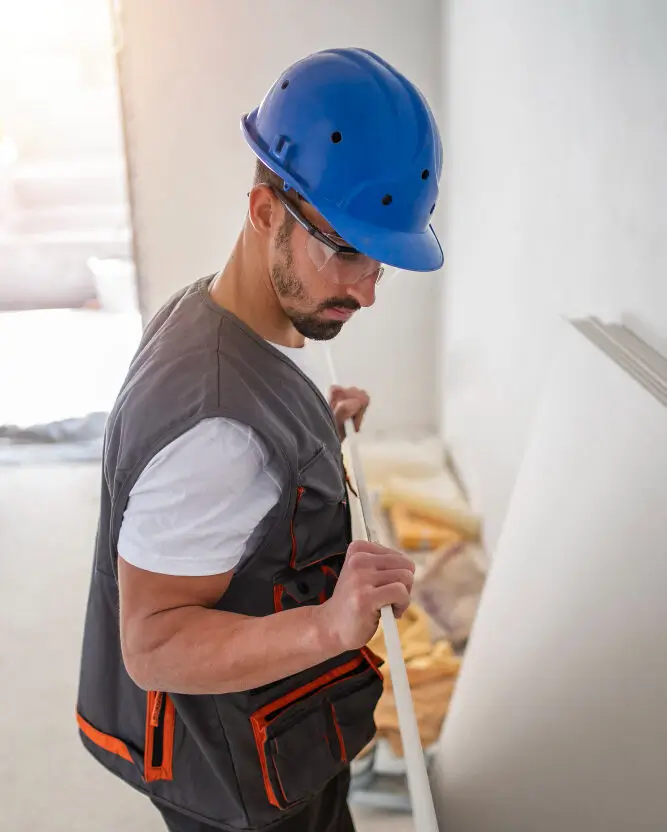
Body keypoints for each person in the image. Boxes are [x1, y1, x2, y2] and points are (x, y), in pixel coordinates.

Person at [76, 47, 443, 832]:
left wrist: (314, 424)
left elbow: (235, 474)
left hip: (278, 734)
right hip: (243, 777)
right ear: (264, 212)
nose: (367, 290)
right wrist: (331, 626)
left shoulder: (207, 312)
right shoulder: (217, 433)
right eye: (345, 250)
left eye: (381, 260)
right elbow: (153, 644)